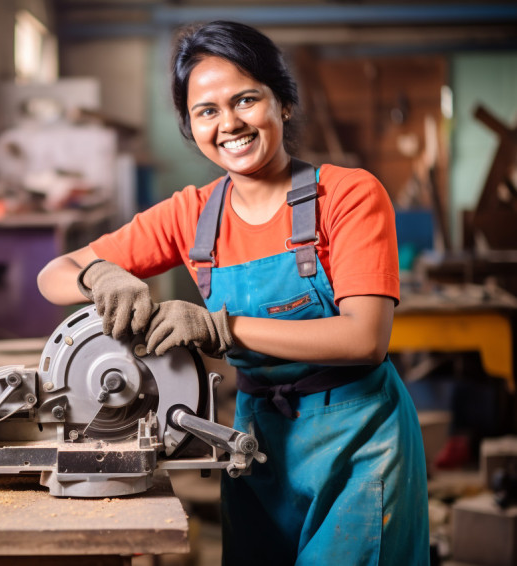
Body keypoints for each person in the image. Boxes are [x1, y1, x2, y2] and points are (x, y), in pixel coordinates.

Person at [37, 20, 429, 566]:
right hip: (256, 443)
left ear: (283, 103)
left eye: (246, 99)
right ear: (191, 125)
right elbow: (53, 272)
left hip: (358, 440)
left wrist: (223, 328)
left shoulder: (348, 195)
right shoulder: (193, 213)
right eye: (207, 111)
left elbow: (366, 338)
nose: (230, 124)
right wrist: (99, 274)